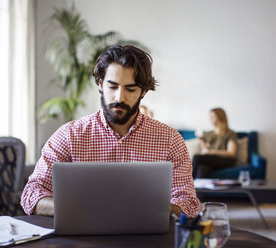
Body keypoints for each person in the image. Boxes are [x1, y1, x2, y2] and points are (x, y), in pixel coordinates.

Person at [21, 45, 200, 217]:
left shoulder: (170, 139)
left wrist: (151, 211)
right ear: (100, 84)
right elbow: (32, 194)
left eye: (130, 89)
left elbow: (189, 202)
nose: (119, 97)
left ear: (143, 91)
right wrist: (78, 209)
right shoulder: (69, 135)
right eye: (112, 86)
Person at [192, 107, 238, 178]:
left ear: (220, 117)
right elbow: (205, 151)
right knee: (202, 168)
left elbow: (231, 153)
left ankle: (187, 182)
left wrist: (211, 152)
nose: (210, 119)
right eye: (210, 117)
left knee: (197, 157)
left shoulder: (230, 133)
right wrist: (202, 140)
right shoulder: (209, 133)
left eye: (213, 117)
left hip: (227, 160)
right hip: (212, 160)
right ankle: (197, 188)